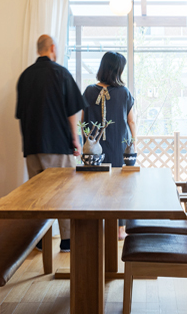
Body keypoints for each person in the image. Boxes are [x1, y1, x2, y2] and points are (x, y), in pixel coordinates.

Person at [16, 34, 87, 253]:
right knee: (64, 193)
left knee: (37, 196)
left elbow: (20, 114)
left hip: (33, 146)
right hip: (57, 144)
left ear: (39, 50)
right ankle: (66, 240)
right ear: (53, 48)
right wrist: (75, 139)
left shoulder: (25, 76)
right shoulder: (60, 73)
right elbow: (72, 110)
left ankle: (38, 240)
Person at [82, 51, 137, 239]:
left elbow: (82, 120)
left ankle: (97, 227)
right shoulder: (124, 92)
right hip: (117, 145)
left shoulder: (89, 91)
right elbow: (131, 121)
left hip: (93, 150)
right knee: (119, 188)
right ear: (117, 70)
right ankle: (120, 229)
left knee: (94, 187)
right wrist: (133, 144)